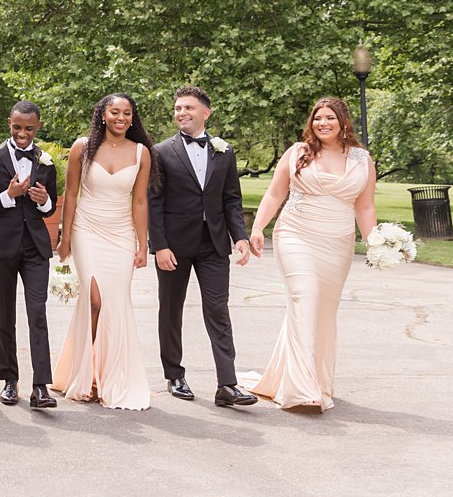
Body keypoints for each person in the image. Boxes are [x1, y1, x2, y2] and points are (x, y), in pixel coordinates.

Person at [246, 97, 377, 411]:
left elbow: (365, 205)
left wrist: (376, 242)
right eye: (318, 118)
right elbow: (275, 192)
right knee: (306, 296)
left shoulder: (362, 159)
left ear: (343, 121)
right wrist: (257, 227)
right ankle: (303, 391)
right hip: (296, 235)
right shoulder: (297, 152)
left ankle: (310, 379)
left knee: (322, 311)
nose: (323, 124)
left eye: (330, 118)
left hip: (338, 243)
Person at [148, 85, 258, 408]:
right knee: (171, 310)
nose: (181, 113)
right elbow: (153, 203)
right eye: (178, 108)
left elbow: (231, 199)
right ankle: (174, 375)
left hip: (213, 245)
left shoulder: (224, 151)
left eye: (189, 108)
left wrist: (240, 236)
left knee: (218, 311)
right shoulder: (160, 152)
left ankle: (227, 384)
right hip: (173, 247)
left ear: (205, 113)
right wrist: (160, 246)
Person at [51, 93, 156, 411]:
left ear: (132, 118)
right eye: (115, 112)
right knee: (94, 299)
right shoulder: (82, 147)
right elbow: (70, 194)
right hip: (87, 230)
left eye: (127, 113)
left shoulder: (141, 153)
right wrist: (65, 237)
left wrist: (143, 243)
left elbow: (139, 201)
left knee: (114, 302)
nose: (121, 118)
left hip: (121, 234)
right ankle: (87, 375)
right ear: (102, 115)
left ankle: (103, 373)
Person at [0, 100, 60, 410]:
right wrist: (8, 196)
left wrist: (44, 199)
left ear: (38, 125)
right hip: (2, 246)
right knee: (5, 315)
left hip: (35, 246)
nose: (22, 134)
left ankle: (41, 387)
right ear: (9, 122)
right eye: (17, 127)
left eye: (29, 128)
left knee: (38, 313)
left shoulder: (46, 161)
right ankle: (9, 380)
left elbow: (51, 205)